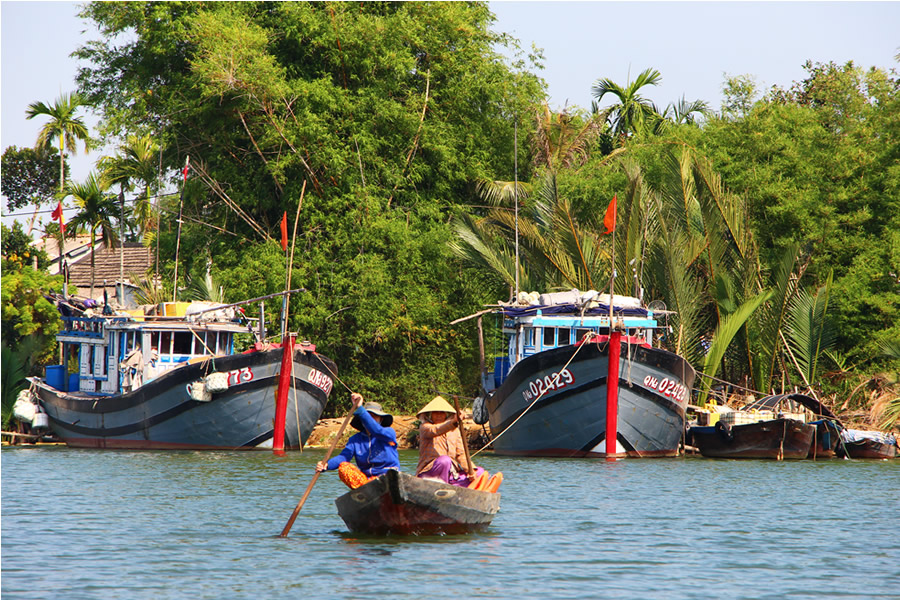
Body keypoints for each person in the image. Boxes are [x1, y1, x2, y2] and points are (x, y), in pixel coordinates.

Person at [316, 393, 400, 488]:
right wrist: (327, 465)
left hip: (388, 476)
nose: (370, 419)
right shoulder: (355, 440)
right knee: (344, 467)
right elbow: (344, 457)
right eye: (368, 416)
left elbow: (376, 430)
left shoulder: (388, 433)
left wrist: (360, 407)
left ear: (381, 419)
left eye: (374, 416)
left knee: (385, 479)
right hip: (367, 482)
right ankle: (368, 491)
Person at [415, 395, 484, 487]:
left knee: (480, 472)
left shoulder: (454, 431)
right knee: (445, 460)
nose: (439, 415)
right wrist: (454, 422)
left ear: (446, 415)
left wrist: (471, 471)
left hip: (450, 474)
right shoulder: (425, 427)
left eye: (442, 413)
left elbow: (461, 455)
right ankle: (443, 487)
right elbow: (436, 430)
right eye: (436, 413)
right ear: (430, 415)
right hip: (429, 473)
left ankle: (454, 487)